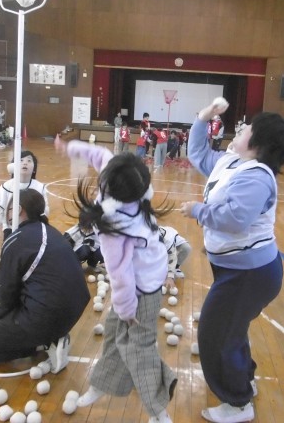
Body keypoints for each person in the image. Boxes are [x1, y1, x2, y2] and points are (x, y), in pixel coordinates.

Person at [180, 97, 284, 423]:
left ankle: (238, 403)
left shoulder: (257, 176)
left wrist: (197, 210)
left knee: (216, 335)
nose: (241, 128)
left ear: (258, 143)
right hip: (236, 270)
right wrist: (204, 117)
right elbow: (198, 154)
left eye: (247, 128)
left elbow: (234, 218)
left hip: (251, 275)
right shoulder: (231, 162)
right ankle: (243, 380)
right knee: (232, 329)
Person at [55, 137, 177, 423]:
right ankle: (102, 384)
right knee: (113, 332)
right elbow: (100, 154)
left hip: (144, 287)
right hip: (139, 278)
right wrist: (71, 148)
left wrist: (126, 309)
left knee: (139, 346)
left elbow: (121, 275)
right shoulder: (124, 180)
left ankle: (158, 411)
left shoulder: (117, 228)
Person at [0, 189, 90, 369]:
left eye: (9, 209)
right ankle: (52, 334)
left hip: (48, 314)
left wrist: (4, 323)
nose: (7, 214)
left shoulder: (16, 240)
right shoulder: (52, 231)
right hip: (74, 310)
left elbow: (6, 290)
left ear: (19, 209)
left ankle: (46, 343)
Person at [0, 151, 47, 242]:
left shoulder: (40, 187)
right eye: (21, 160)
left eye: (29, 161)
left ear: (34, 169)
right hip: (10, 228)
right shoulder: (6, 186)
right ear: (13, 167)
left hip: (32, 227)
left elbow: (45, 211)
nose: (25, 163)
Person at [159, 225, 191, 291]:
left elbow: (172, 257)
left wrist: (170, 276)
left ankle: (176, 268)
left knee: (186, 248)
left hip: (171, 235)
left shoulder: (168, 240)